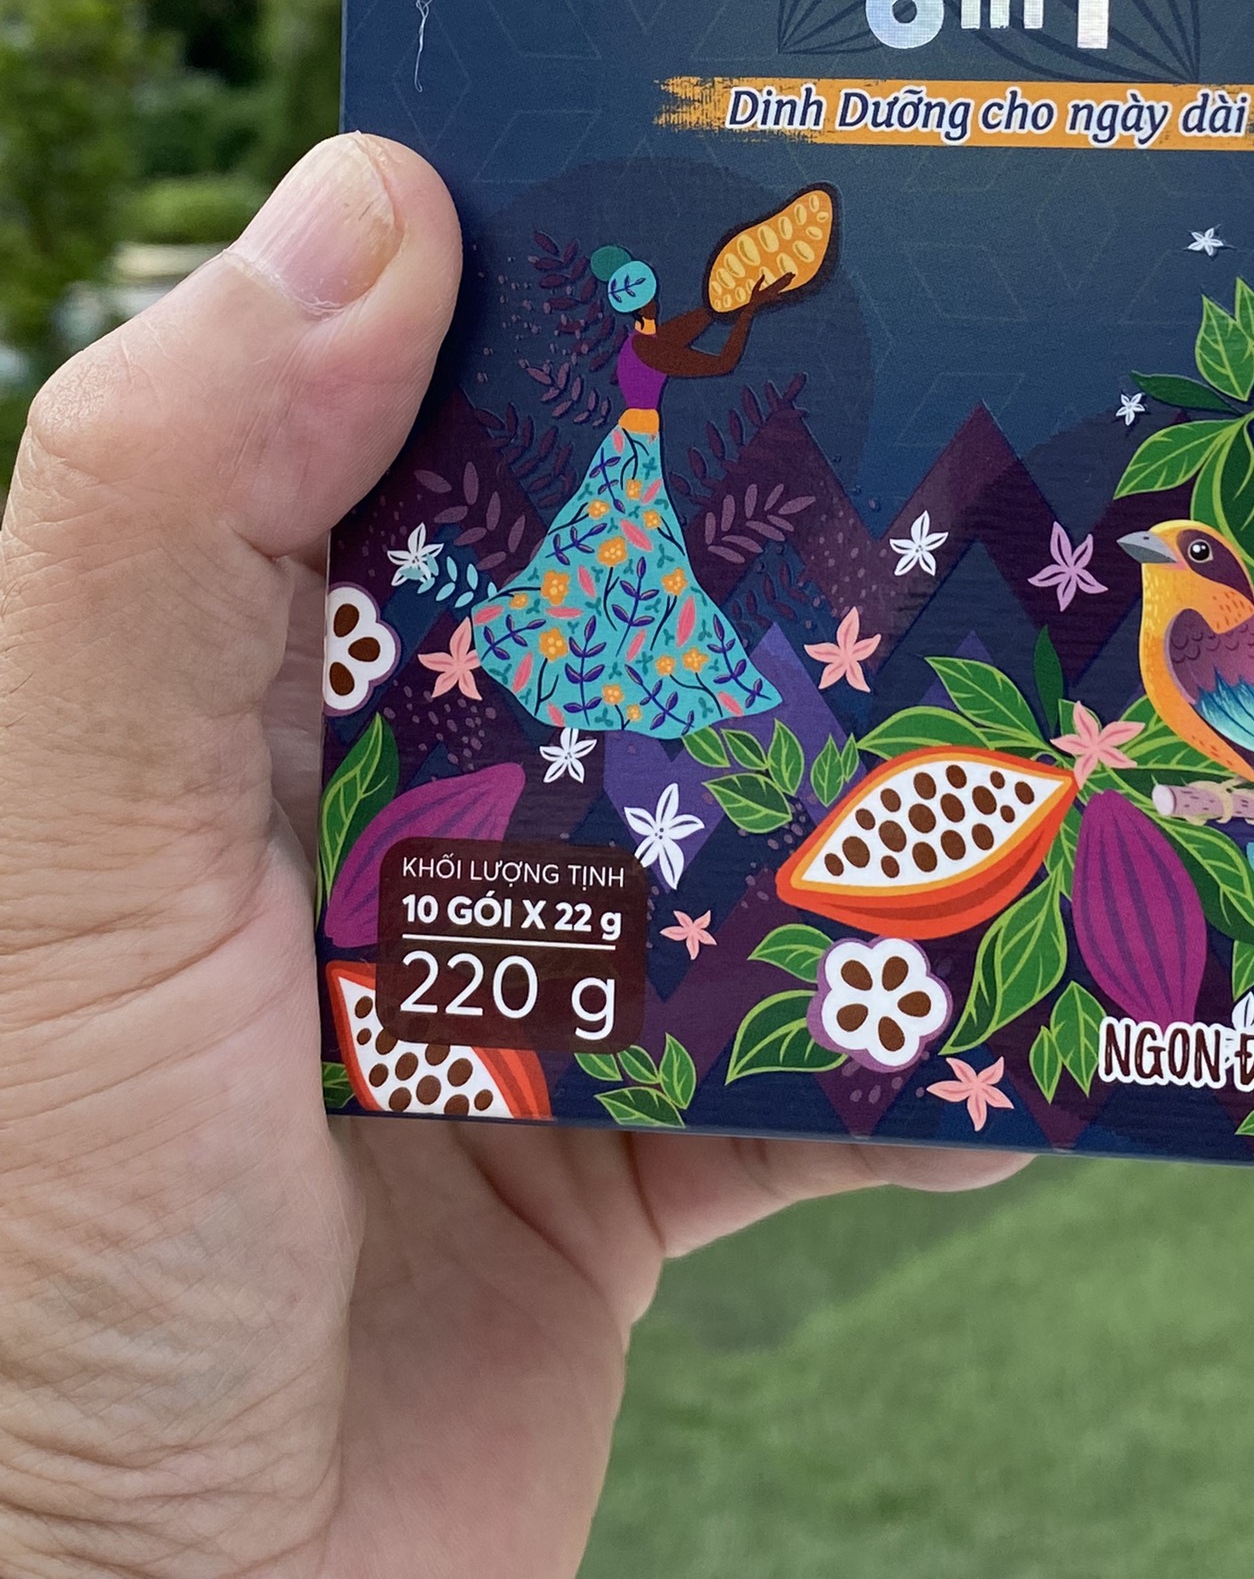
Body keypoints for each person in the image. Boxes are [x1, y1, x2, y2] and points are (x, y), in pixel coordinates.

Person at [0, 135, 1019, 1577]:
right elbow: (697, 352)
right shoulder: (656, 346)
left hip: (622, 508)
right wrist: (94, 1532)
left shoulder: (657, 344)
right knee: (618, 601)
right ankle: (615, 702)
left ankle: (610, 700)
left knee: (615, 603)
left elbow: (698, 352)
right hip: (621, 503)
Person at [473, 245, 800, 737]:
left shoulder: (645, 337)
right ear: (649, 299)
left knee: (617, 543)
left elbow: (705, 317)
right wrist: (750, 311)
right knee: (634, 545)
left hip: (631, 442)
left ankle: (611, 640)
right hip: (635, 450)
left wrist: (738, 299)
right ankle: (613, 650)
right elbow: (721, 362)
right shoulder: (650, 348)